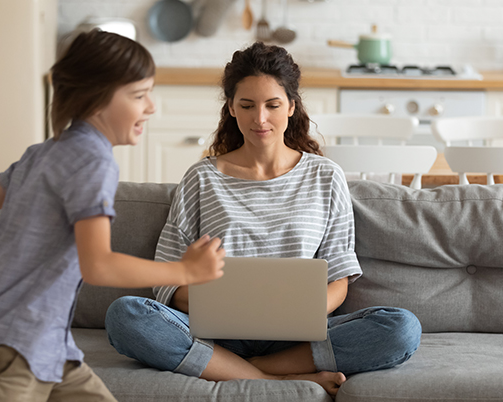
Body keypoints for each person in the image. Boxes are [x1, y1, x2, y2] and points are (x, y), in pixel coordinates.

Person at [0, 30, 225, 402]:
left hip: (45, 351)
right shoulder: (93, 162)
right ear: (96, 101)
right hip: (8, 353)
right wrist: (184, 272)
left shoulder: (46, 153)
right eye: (139, 95)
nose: (152, 107)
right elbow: (98, 266)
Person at [105, 42, 422, 397]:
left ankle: (235, 370)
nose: (260, 118)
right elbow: (167, 279)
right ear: (231, 109)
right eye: (247, 105)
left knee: (401, 329)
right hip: (217, 333)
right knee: (126, 316)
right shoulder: (202, 178)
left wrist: (295, 311)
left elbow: (339, 278)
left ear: (291, 106)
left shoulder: (325, 176)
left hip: (298, 339)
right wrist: (229, 308)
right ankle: (272, 382)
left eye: (272, 105)